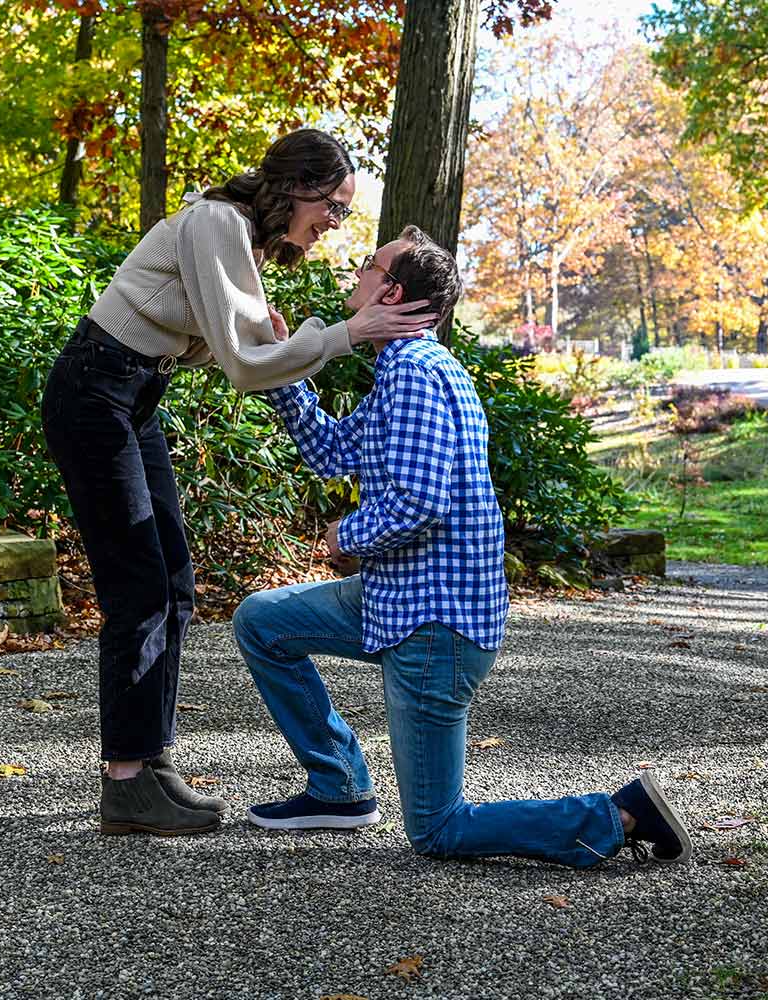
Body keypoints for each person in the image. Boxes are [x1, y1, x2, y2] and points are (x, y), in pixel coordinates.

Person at [233, 226, 693, 868]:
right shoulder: (402, 370)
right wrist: (283, 365)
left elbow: (421, 503)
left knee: (436, 830)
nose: (356, 277)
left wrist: (349, 535)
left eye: (368, 268)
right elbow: (331, 452)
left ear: (389, 293)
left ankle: (616, 814)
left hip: (434, 629)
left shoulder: (417, 375)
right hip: (395, 599)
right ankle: (338, 787)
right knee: (261, 622)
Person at [41, 129, 437, 838]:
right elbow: (249, 366)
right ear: (299, 187)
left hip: (133, 395)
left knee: (176, 584)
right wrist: (350, 331)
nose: (335, 224)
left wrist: (297, 344)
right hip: (94, 391)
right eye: (335, 207)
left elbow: (259, 351)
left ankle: (149, 762)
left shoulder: (242, 241)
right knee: (138, 587)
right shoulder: (218, 223)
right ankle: (126, 784)